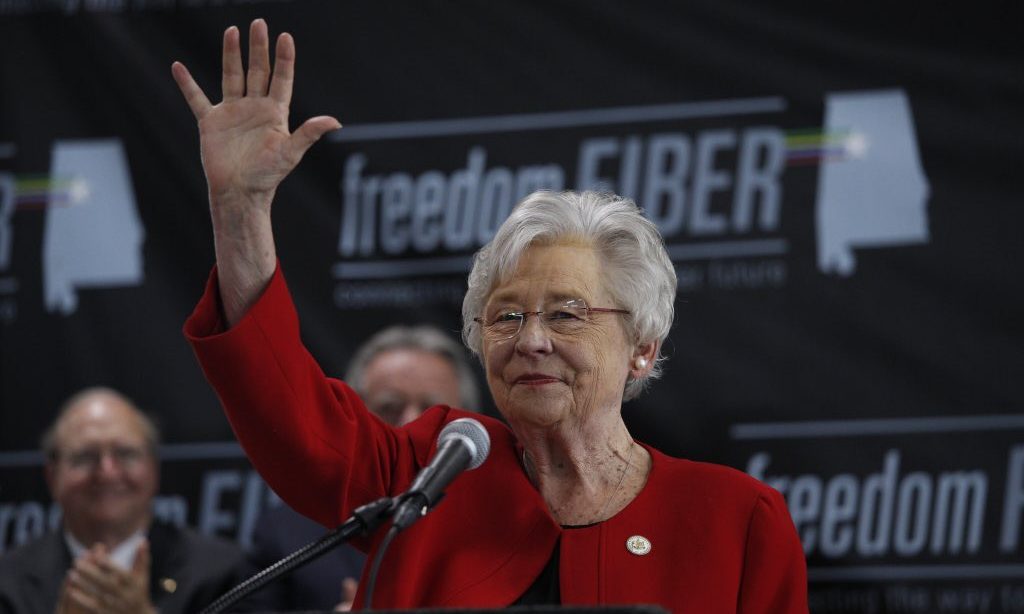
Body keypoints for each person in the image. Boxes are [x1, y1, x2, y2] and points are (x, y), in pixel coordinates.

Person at [173, 19, 808, 611]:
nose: (531, 340)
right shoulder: (430, 477)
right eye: (505, 318)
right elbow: (285, 411)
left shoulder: (737, 519)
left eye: (566, 314)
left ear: (642, 345)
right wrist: (241, 211)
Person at [248, 325, 481, 611]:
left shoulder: (499, 523)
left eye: (432, 411)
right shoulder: (287, 533)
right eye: (390, 406)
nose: (411, 423)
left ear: (467, 421)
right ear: (354, 415)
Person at [0, 387, 252, 614]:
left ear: (153, 469)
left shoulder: (224, 574)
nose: (107, 472)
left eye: (125, 454)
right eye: (85, 456)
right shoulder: (7, 581)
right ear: (52, 476)